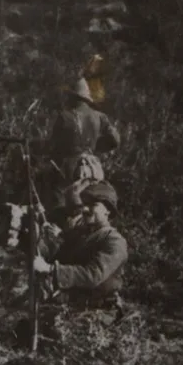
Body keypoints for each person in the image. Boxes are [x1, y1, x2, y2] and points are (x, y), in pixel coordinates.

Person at [33, 181, 128, 310]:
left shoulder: (114, 241)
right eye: (84, 205)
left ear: (108, 211)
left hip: (99, 310)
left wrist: (50, 269)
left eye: (93, 205)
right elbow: (62, 254)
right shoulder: (81, 233)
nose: (84, 209)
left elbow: (92, 275)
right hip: (71, 303)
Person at [48, 77, 120, 209]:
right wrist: (94, 147)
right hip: (93, 167)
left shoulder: (63, 117)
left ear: (71, 97)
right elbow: (115, 140)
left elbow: (53, 146)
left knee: (63, 204)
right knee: (93, 201)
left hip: (69, 167)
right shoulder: (99, 116)